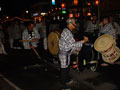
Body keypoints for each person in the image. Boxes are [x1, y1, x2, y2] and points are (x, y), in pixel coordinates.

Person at [58, 18, 88, 90]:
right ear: (70, 23)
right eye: (74, 22)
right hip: (64, 53)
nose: (75, 24)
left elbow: (70, 44)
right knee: (64, 69)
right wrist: (84, 41)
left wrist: (77, 48)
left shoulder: (68, 31)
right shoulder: (67, 32)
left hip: (67, 53)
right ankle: (64, 86)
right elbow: (73, 44)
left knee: (67, 68)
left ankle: (67, 80)